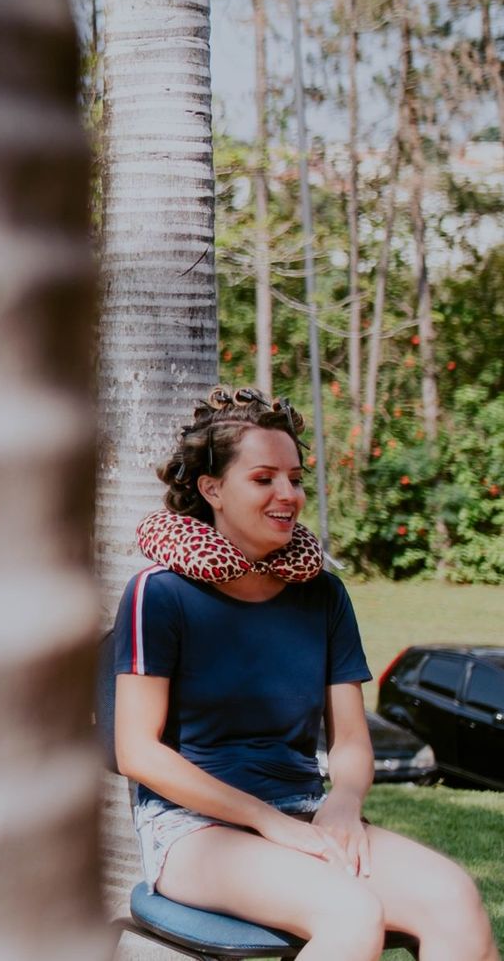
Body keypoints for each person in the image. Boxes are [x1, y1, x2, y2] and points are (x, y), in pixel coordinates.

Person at [113, 386, 496, 961]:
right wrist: (269, 823)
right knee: (352, 912)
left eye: (294, 478)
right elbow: (138, 754)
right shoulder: (159, 593)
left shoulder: (322, 595)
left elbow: (349, 739)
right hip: (192, 832)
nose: (287, 494)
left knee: (454, 898)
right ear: (212, 489)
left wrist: (343, 800)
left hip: (305, 812)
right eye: (264, 478)